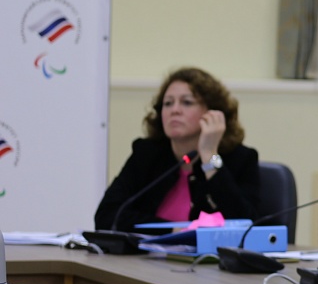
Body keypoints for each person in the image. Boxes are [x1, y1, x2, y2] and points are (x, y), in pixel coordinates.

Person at [95, 67, 261, 230]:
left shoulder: (240, 159)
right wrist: (172, 232)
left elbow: (245, 224)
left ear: (213, 113)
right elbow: (107, 216)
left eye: (187, 102)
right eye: (168, 103)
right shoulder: (146, 154)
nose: (174, 110)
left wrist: (210, 156)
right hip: (148, 249)